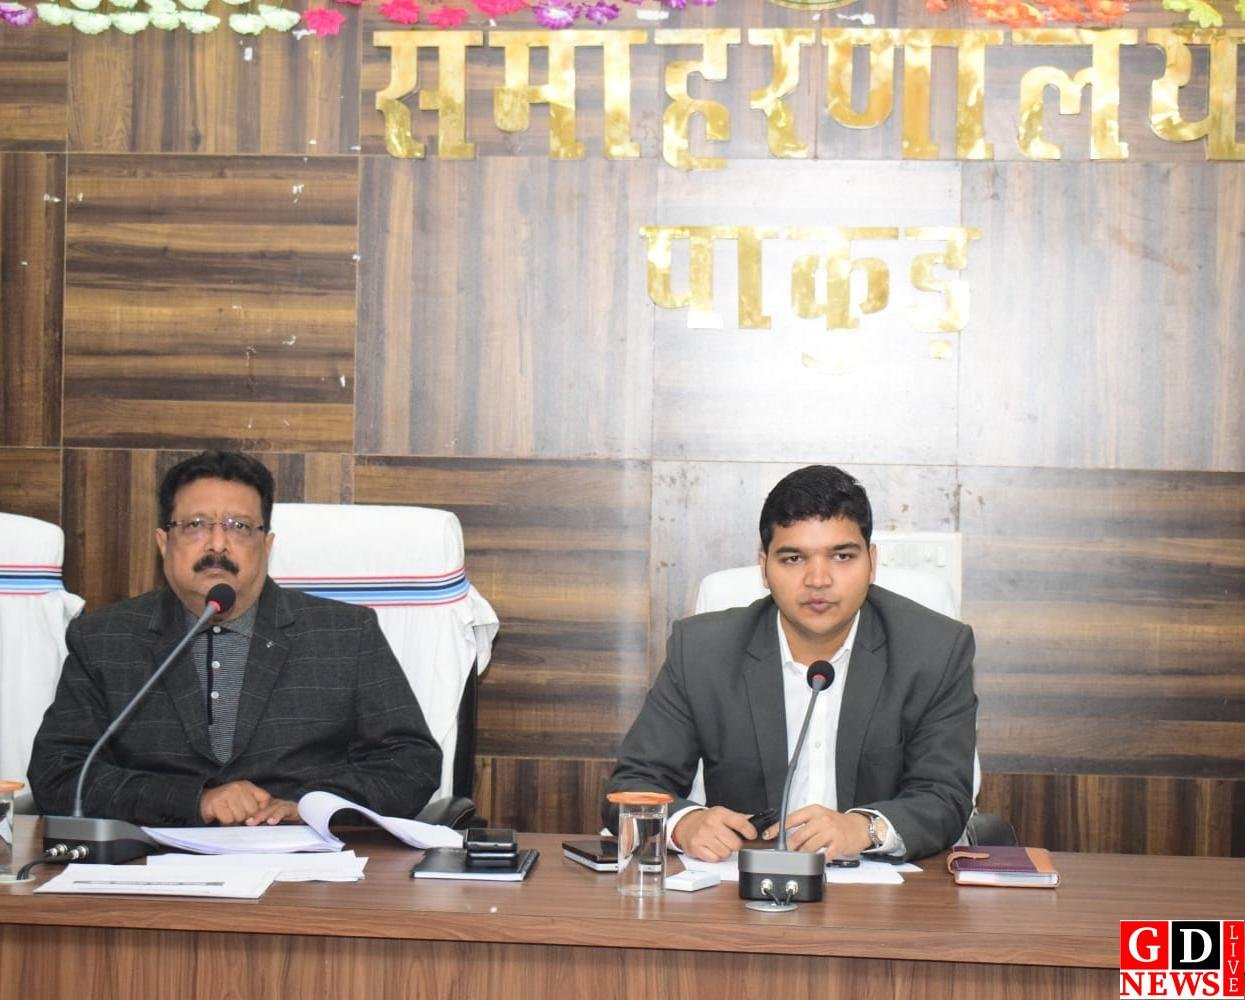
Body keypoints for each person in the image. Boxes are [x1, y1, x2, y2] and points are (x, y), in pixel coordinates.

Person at [29, 451, 442, 827]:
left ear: (266, 545)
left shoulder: (346, 634)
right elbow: (58, 773)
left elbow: (411, 764)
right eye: (195, 525)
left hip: (304, 867)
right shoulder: (104, 638)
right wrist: (195, 801)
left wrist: (310, 807)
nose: (217, 544)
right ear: (163, 543)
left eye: (239, 527)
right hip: (148, 865)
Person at [604, 465, 976, 863]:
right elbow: (633, 785)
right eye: (794, 558)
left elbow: (944, 796)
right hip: (742, 885)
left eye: (842, 556)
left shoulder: (934, 650)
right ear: (764, 568)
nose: (818, 579)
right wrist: (685, 824)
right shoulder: (702, 651)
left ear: (871, 562)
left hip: (878, 887)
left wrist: (866, 828)